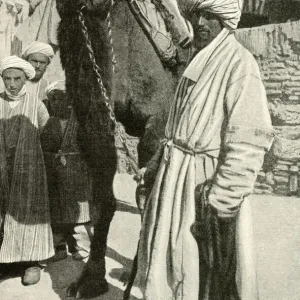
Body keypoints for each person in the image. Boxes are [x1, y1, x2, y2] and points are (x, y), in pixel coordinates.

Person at [131, 0, 274, 299]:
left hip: (205, 188)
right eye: (197, 15)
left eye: (210, 16)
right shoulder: (197, 60)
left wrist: (221, 198)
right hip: (173, 183)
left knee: (202, 276)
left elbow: (247, 141)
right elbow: (174, 131)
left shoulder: (240, 63)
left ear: (226, 20)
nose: (200, 23)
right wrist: (155, 166)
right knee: (166, 266)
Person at [0, 55, 53, 285]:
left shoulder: (36, 104)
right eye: (7, 78)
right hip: (2, 167)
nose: (11, 83)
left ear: (25, 79)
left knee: (29, 212)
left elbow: (48, 133)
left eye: (16, 79)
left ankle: (32, 262)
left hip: (29, 169)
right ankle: (7, 261)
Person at [40, 81, 93, 262]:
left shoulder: (81, 121)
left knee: (79, 214)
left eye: (61, 98)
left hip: (77, 172)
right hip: (54, 173)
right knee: (56, 212)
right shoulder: (49, 122)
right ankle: (59, 247)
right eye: (52, 99)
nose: (56, 103)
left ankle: (81, 246)